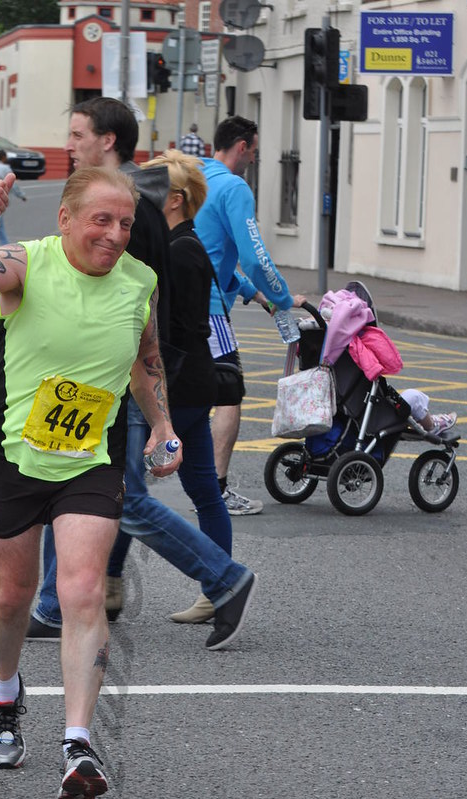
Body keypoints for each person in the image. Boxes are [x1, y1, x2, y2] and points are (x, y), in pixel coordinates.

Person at [0, 166, 181, 799]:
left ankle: (78, 743)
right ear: (65, 218)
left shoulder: (139, 281)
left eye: (124, 224)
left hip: (91, 458)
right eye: (101, 220)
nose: (115, 235)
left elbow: (144, 358)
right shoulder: (25, 264)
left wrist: (162, 424)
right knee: (12, 596)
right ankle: (5, 695)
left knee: (84, 588)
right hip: (12, 453)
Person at [28, 98, 256, 644]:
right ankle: (53, 604)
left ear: (107, 141)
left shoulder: (133, 210)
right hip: (93, 371)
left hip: (119, 374)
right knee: (67, 477)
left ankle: (224, 577)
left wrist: (151, 398)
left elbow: (141, 306)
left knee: (121, 496)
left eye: (79, 134)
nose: (69, 143)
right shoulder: (118, 201)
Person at [194, 116, 306, 515]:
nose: (254, 159)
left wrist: (257, 296)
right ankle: (216, 490)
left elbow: (211, 252)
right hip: (203, 307)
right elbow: (253, 256)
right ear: (241, 147)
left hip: (170, 298)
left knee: (183, 392)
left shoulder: (198, 177)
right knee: (229, 391)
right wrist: (283, 295)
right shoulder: (234, 187)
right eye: (254, 151)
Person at [140, 148, 230, 624]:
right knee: (202, 489)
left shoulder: (179, 250)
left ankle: (221, 583)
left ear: (174, 199)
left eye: (150, 192)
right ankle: (219, 590)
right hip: (194, 378)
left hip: (183, 383)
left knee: (128, 488)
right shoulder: (186, 245)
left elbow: (168, 326)